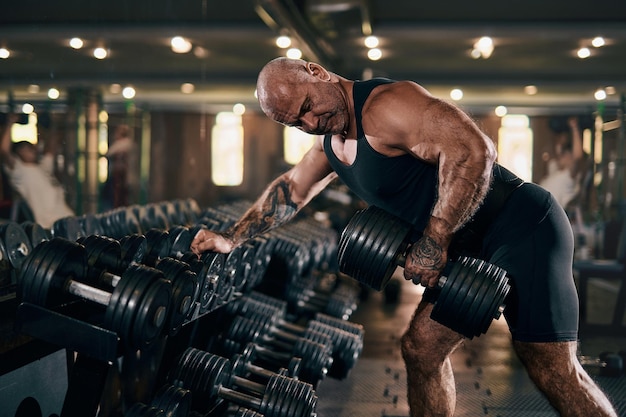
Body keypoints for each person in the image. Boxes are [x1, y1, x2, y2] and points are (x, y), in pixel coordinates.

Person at [191, 57, 618, 417]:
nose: (309, 121)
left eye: (307, 106)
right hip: (468, 247)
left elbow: (474, 150)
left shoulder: (388, 106)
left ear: (316, 71)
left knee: (551, 367)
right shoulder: (329, 142)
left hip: (523, 225)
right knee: (421, 350)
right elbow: (293, 189)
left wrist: (433, 240)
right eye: (296, 121)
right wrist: (233, 238)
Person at [0, 113, 74, 228]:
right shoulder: (20, 170)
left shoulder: (42, 166)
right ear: (18, 152)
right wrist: (10, 123)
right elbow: (4, 150)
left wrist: (53, 124)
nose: (32, 150)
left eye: (31, 148)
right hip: (50, 224)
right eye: (27, 148)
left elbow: (51, 149)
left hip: (67, 218)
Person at [539, 116, 585, 210]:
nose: (563, 157)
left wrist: (574, 128)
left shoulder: (568, 175)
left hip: (552, 212)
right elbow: (558, 149)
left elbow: (577, 156)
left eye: (567, 156)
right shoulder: (555, 169)